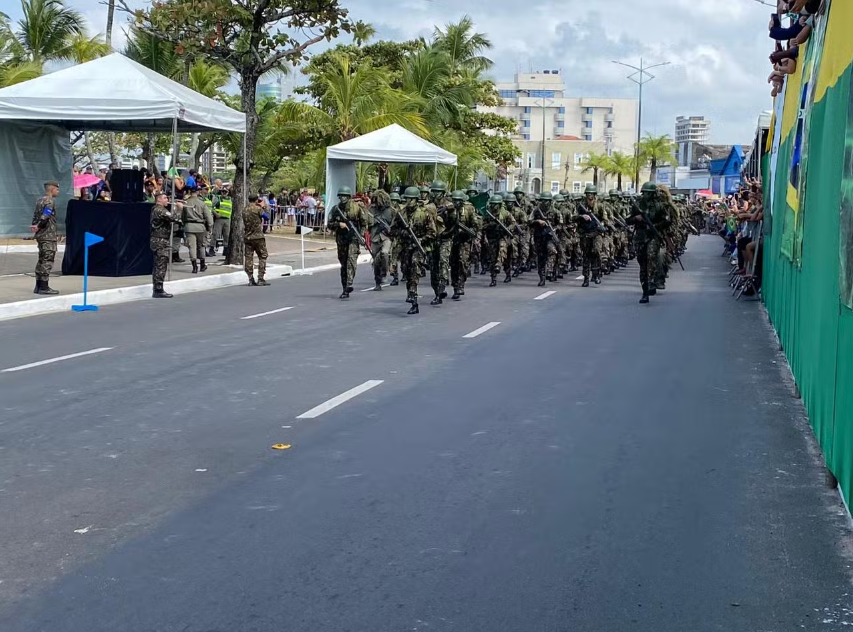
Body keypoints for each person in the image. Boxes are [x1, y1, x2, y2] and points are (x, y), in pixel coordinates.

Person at [392, 186, 436, 314]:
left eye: (412, 199)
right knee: (406, 270)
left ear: (416, 200)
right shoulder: (401, 213)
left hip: (418, 247)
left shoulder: (424, 212)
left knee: (415, 269)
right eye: (407, 199)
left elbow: (432, 232)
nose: (409, 201)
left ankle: (413, 296)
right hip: (406, 246)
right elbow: (392, 229)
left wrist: (422, 239)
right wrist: (403, 232)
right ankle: (411, 296)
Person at [627, 182, 671, 304]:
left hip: (653, 236)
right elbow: (628, 220)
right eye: (645, 192)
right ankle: (645, 291)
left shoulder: (659, 205)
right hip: (640, 237)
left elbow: (667, 220)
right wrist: (636, 219)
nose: (646, 195)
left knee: (651, 256)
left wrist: (655, 226)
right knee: (642, 264)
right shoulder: (638, 205)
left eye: (648, 193)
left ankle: (652, 281)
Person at [327, 186, 368, 299]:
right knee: (343, 264)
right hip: (341, 239)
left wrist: (362, 235)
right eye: (341, 196)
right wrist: (338, 224)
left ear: (349, 197)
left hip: (353, 237)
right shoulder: (335, 209)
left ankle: (349, 283)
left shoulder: (357, 207)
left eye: (345, 196)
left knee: (351, 260)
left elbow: (364, 223)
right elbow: (329, 224)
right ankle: (345, 288)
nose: (342, 198)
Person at [447, 190, 481, 300]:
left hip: (465, 240)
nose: (456, 203)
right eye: (454, 200)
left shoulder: (469, 209)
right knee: (453, 264)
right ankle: (455, 286)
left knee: (463, 262)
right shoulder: (448, 210)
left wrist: (469, 231)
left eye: (458, 201)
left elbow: (476, 225)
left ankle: (460, 285)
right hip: (452, 239)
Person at [149, 191, 182, 298]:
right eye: (165, 198)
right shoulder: (160, 210)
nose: (167, 200)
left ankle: (158, 288)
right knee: (161, 265)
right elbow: (175, 218)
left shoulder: (158, 210)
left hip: (159, 240)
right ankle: (158, 289)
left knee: (159, 265)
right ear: (159, 200)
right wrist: (179, 209)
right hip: (160, 241)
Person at [30, 180, 61, 295]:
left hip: (41, 235)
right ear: (52, 189)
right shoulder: (50, 202)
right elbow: (45, 216)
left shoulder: (39, 201)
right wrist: (38, 225)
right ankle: (44, 286)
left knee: (41, 259)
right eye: (57, 189)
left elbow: (35, 216)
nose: (58, 191)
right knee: (47, 260)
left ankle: (38, 286)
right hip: (48, 235)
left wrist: (35, 227)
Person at [482, 194, 517, 287]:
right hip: (492, 238)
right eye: (493, 204)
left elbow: (513, 223)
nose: (494, 206)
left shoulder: (505, 213)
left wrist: (507, 228)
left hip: (503, 237)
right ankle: (493, 278)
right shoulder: (488, 213)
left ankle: (502, 269)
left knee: (502, 250)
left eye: (496, 204)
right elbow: (482, 226)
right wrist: (491, 225)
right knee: (493, 257)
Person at [574, 184, 604, 287]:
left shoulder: (599, 206)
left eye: (592, 194)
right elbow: (573, 217)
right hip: (585, 234)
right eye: (588, 194)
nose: (590, 196)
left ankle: (596, 275)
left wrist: (603, 224)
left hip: (596, 233)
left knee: (596, 252)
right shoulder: (581, 205)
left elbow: (606, 218)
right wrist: (582, 216)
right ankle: (586, 278)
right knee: (586, 256)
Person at [530, 191, 562, 286]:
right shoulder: (536, 210)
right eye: (543, 201)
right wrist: (537, 221)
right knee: (540, 257)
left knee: (552, 251)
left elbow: (560, 224)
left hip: (550, 237)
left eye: (547, 201)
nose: (545, 203)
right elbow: (529, 221)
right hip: (539, 236)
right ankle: (542, 278)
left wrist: (554, 229)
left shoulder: (556, 212)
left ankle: (550, 270)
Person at [181, 185, 213, 273]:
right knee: (201, 246)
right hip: (200, 227)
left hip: (189, 226)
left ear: (190, 192)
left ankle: (194, 267)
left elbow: (182, 217)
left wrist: (185, 224)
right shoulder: (202, 203)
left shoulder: (186, 203)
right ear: (198, 192)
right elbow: (208, 217)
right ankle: (202, 264)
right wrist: (210, 227)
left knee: (192, 247)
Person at [368, 189, 396, 291]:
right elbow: (367, 223)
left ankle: (384, 273)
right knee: (375, 261)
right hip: (375, 238)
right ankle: (377, 281)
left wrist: (391, 230)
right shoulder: (371, 210)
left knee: (384, 253)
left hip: (386, 237)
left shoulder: (391, 210)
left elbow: (395, 223)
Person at [244, 194, 270, 286]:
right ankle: (261, 278)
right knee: (263, 256)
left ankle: (250, 279)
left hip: (248, 237)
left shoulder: (244, 210)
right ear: (256, 200)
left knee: (248, 258)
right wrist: (263, 207)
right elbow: (267, 217)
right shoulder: (258, 209)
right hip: (258, 236)